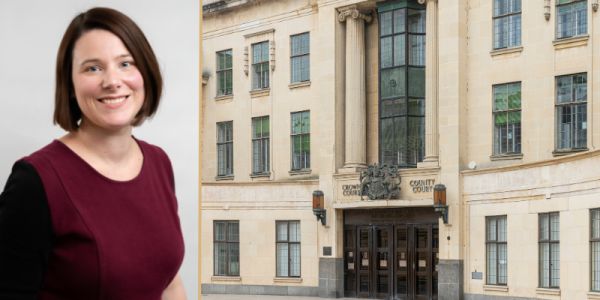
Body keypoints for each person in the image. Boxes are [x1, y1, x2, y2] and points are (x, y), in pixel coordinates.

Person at [0, 7, 186, 299]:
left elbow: (170, 284)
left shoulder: (159, 162)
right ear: (71, 85)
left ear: (145, 74)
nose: (112, 81)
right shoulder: (35, 181)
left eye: (126, 63)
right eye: (93, 68)